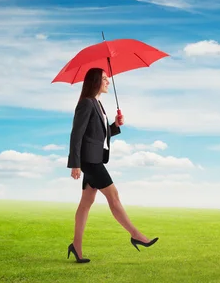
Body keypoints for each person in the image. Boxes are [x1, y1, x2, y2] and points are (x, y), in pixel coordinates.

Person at [67, 67, 158, 263]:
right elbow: (77, 135)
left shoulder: (98, 104)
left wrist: (115, 126)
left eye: (108, 79)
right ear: (95, 81)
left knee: (85, 204)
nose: (108, 81)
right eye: (104, 78)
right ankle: (135, 234)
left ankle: (76, 246)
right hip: (90, 162)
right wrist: (75, 164)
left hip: (95, 159)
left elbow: (97, 134)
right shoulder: (86, 103)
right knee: (114, 196)